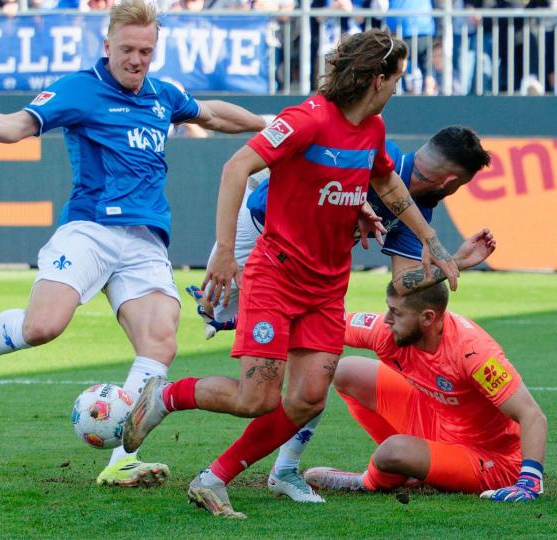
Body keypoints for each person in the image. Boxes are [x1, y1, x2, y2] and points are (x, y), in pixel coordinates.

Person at [0, 0, 266, 489]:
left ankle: (121, 458)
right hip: (90, 229)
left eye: (146, 50)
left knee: (161, 341)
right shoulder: (80, 89)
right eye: (127, 50)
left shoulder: (164, 93)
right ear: (107, 46)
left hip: (145, 240)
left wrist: (271, 128)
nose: (137, 60)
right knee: (42, 328)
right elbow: (17, 126)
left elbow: (213, 114)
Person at [121, 29, 461, 518]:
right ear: (375, 79)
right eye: (396, 79)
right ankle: (165, 397)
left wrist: (429, 239)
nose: (397, 88)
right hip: (276, 276)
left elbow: (384, 180)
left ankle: (213, 478)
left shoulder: (373, 130)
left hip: (326, 288)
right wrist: (222, 252)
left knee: (307, 398)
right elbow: (237, 167)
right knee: (256, 397)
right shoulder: (307, 119)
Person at [185, 126, 495, 503]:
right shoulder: (376, 158)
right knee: (258, 396)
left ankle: (282, 470)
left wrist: (455, 262)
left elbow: (402, 283)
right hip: (262, 243)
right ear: (452, 180)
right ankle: (168, 397)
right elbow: (261, 205)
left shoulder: (418, 205)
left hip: (312, 274)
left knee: (318, 368)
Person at [300, 282, 548, 503]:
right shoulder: (388, 330)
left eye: (396, 313)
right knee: (346, 371)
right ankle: (409, 470)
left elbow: (532, 415)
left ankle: (367, 482)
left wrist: (529, 482)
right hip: (436, 418)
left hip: (487, 457)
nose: (386, 319)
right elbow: (330, 326)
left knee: (392, 451)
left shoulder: (473, 353)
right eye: (389, 308)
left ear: (427, 318)